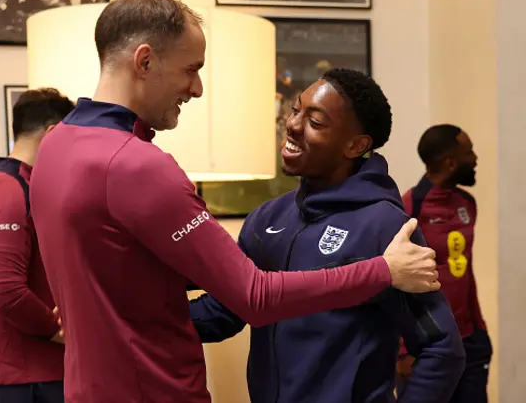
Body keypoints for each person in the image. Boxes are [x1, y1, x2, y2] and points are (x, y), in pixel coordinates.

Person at [29, 0, 440, 403]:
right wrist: (383, 271)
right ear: (145, 60)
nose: (197, 88)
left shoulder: (54, 147)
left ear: (357, 144)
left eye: (314, 119)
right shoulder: (139, 166)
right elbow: (252, 297)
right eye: (191, 69)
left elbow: (131, 270)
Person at [189, 69, 466, 403]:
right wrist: (132, 321)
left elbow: (442, 348)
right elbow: (226, 311)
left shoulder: (385, 227)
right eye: (295, 110)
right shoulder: (267, 218)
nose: (292, 125)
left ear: (356, 145)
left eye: (315, 122)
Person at [0, 88, 74, 403]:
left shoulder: (24, 185)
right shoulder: (7, 192)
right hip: (26, 381)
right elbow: (6, 292)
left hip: (40, 375)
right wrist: (56, 329)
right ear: (53, 133)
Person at [396, 124, 492, 402]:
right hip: (426, 346)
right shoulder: (409, 207)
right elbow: (397, 284)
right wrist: (403, 350)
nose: (475, 158)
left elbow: (465, 272)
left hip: (471, 340)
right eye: (469, 152)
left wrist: (480, 333)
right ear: (451, 163)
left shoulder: (467, 203)